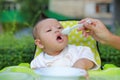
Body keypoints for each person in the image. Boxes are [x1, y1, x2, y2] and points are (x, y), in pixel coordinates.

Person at [30, 18, 99, 71]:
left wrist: (81, 64)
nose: (57, 30)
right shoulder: (38, 62)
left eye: (60, 28)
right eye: (49, 30)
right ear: (40, 43)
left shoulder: (78, 50)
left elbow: (91, 61)